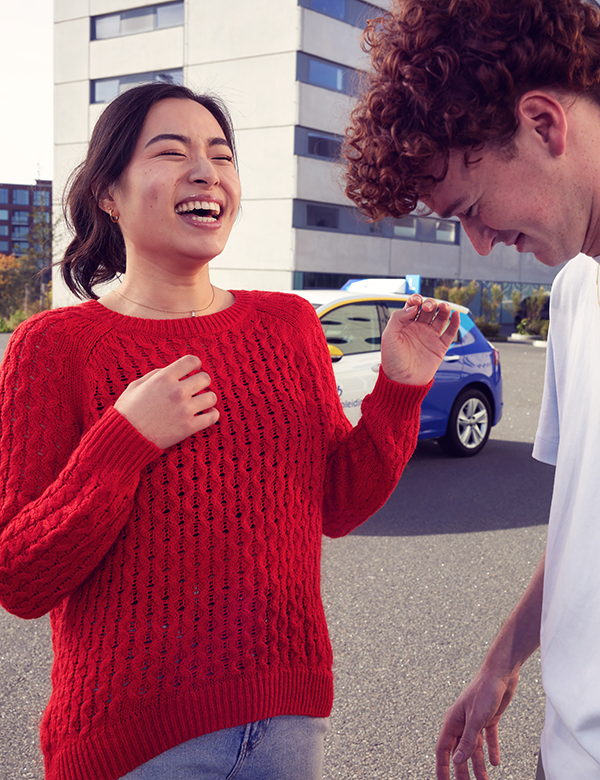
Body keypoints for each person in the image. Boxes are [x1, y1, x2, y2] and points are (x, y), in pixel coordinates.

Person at [0, 81, 459, 780]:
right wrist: (122, 443)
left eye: (221, 155)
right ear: (108, 194)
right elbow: (21, 579)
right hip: (134, 743)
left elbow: (336, 504)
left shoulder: (290, 327)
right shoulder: (53, 347)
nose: (205, 171)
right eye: (171, 151)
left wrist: (400, 389)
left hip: (288, 720)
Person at [343, 1, 600, 778]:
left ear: (544, 125)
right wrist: (501, 661)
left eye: (473, 209)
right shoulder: (577, 294)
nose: (482, 244)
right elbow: (583, 524)